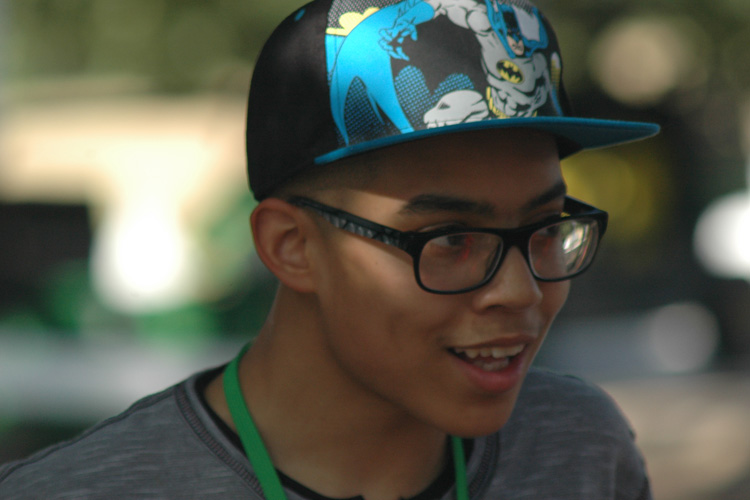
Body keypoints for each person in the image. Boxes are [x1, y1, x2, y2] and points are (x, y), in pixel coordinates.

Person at [0, 0, 660, 498]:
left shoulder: (577, 452)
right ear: (291, 247)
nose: (520, 292)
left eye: (546, 228)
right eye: (452, 239)